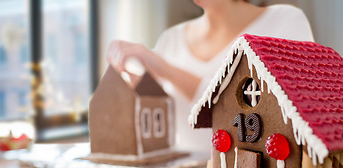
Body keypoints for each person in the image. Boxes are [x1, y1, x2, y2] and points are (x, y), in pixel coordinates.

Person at [106, 0, 314, 152]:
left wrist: (163, 67)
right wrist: (134, 85)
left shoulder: (284, 21)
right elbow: (161, 113)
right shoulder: (171, 39)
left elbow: (278, 110)